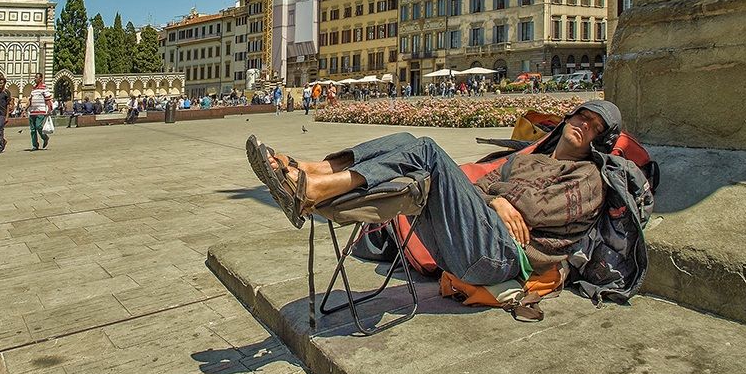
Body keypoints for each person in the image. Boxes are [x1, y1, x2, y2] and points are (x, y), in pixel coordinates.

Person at [248, 100, 622, 288]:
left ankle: (312, 191)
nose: (583, 125)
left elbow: (536, 211)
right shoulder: (526, 160)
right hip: (471, 241)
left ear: (599, 140)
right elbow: (480, 189)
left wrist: (502, 200)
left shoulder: (589, 177)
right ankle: (312, 170)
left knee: (426, 150)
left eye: (594, 126)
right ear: (568, 117)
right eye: (582, 116)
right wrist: (496, 200)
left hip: (500, 258)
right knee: (405, 141)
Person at [27, 72, 53, 150]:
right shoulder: (33, 89)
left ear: (41, 79)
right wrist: (25, 108)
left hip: (41, 111)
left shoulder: (44, 88)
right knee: (32, 130)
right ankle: (35, 145)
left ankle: (45, 138)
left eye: (36, 77)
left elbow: (48, 99)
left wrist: (49, 109)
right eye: (35, 77)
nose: (35, 79)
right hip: (32, 111)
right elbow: (30, 100)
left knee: (38, 126)